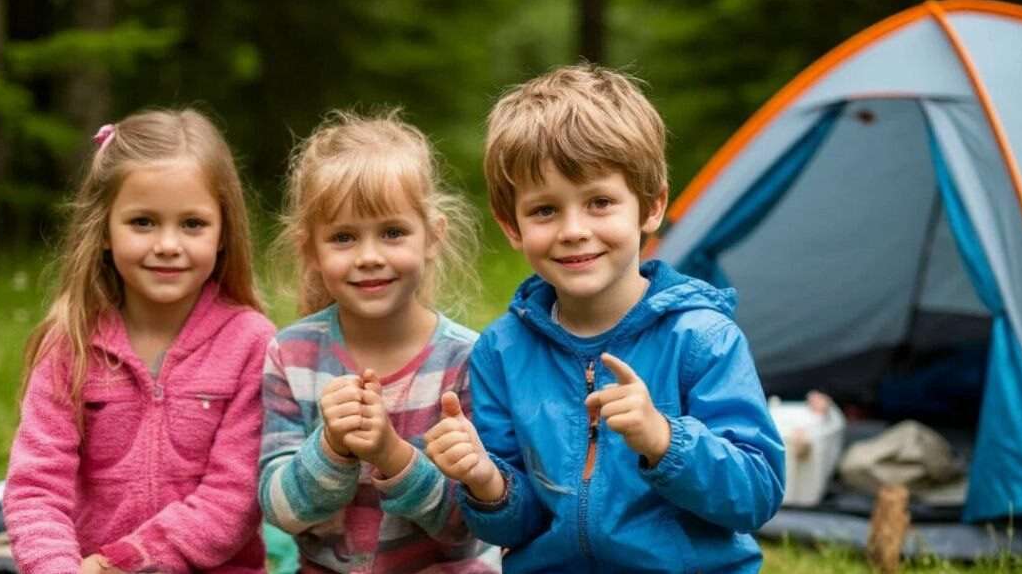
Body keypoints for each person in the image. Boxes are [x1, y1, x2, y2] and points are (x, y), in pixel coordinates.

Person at [423, 64, 787, 573]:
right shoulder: (501, 352)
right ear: (511, 226)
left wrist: (664, 440)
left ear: (651, 207)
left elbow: (757, 495)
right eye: (545, 210)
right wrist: (484, 479)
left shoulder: (702, 338)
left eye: (599, 202)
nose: (574, 230)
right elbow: (512, 527)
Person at [3, 109, 275, 574]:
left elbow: (233, 500)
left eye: (192, 224)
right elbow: (36, 489)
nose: (167, 244)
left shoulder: (251, 343)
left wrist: (121, 564)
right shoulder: (71, 344)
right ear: (104, 230)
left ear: (224, 232)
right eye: (143, 222)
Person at [258, 111, 496, 573]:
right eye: (344, 237)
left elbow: (469, 525)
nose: (369, 257)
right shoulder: (292, 356)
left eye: (392, 232)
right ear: (311, 250)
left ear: (432, 237)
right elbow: (280, 512)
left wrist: (394, 456)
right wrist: (330, 448)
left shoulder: (467, 359)